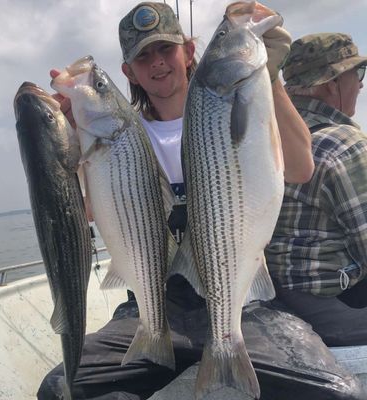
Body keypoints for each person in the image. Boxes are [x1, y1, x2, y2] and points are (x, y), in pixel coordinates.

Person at [38, 4, 365, 400]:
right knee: (60, 388)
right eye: (143, 56)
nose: (157, 62)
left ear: (188, 53)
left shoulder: (241, 104)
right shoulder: (121, 136)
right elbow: (89, 211)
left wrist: (270, 77)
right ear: (128, 72)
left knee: (338, 392)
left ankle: (226, 349)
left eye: (166, 49)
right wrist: (70, 138)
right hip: (154, 307)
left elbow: (299, 168)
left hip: (244, 302)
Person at [265, 32, 367, 347]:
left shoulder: (267, 138)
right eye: (357, 73)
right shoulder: (344, 144)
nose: (361, 84)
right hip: (330, 306)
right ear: (331, 84)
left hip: (278, 299)